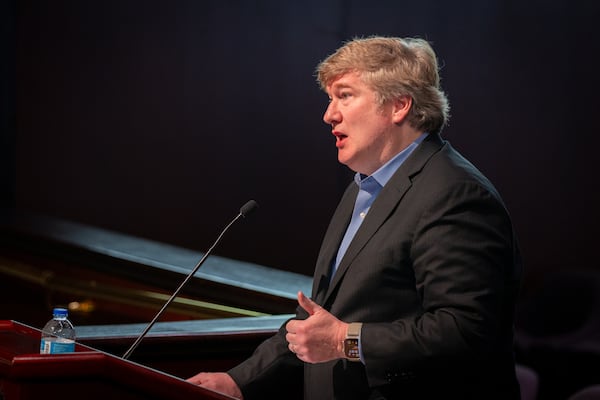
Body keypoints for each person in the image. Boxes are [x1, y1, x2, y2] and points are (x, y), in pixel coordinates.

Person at [188, 36, 523, 399]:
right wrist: (238, 382)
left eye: (344, 95)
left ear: (399, 105)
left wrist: (345, 340)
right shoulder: (362, 188)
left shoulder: (455, 194)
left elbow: (464, 330)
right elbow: (320, 321)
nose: (329, 114)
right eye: (330, 99)